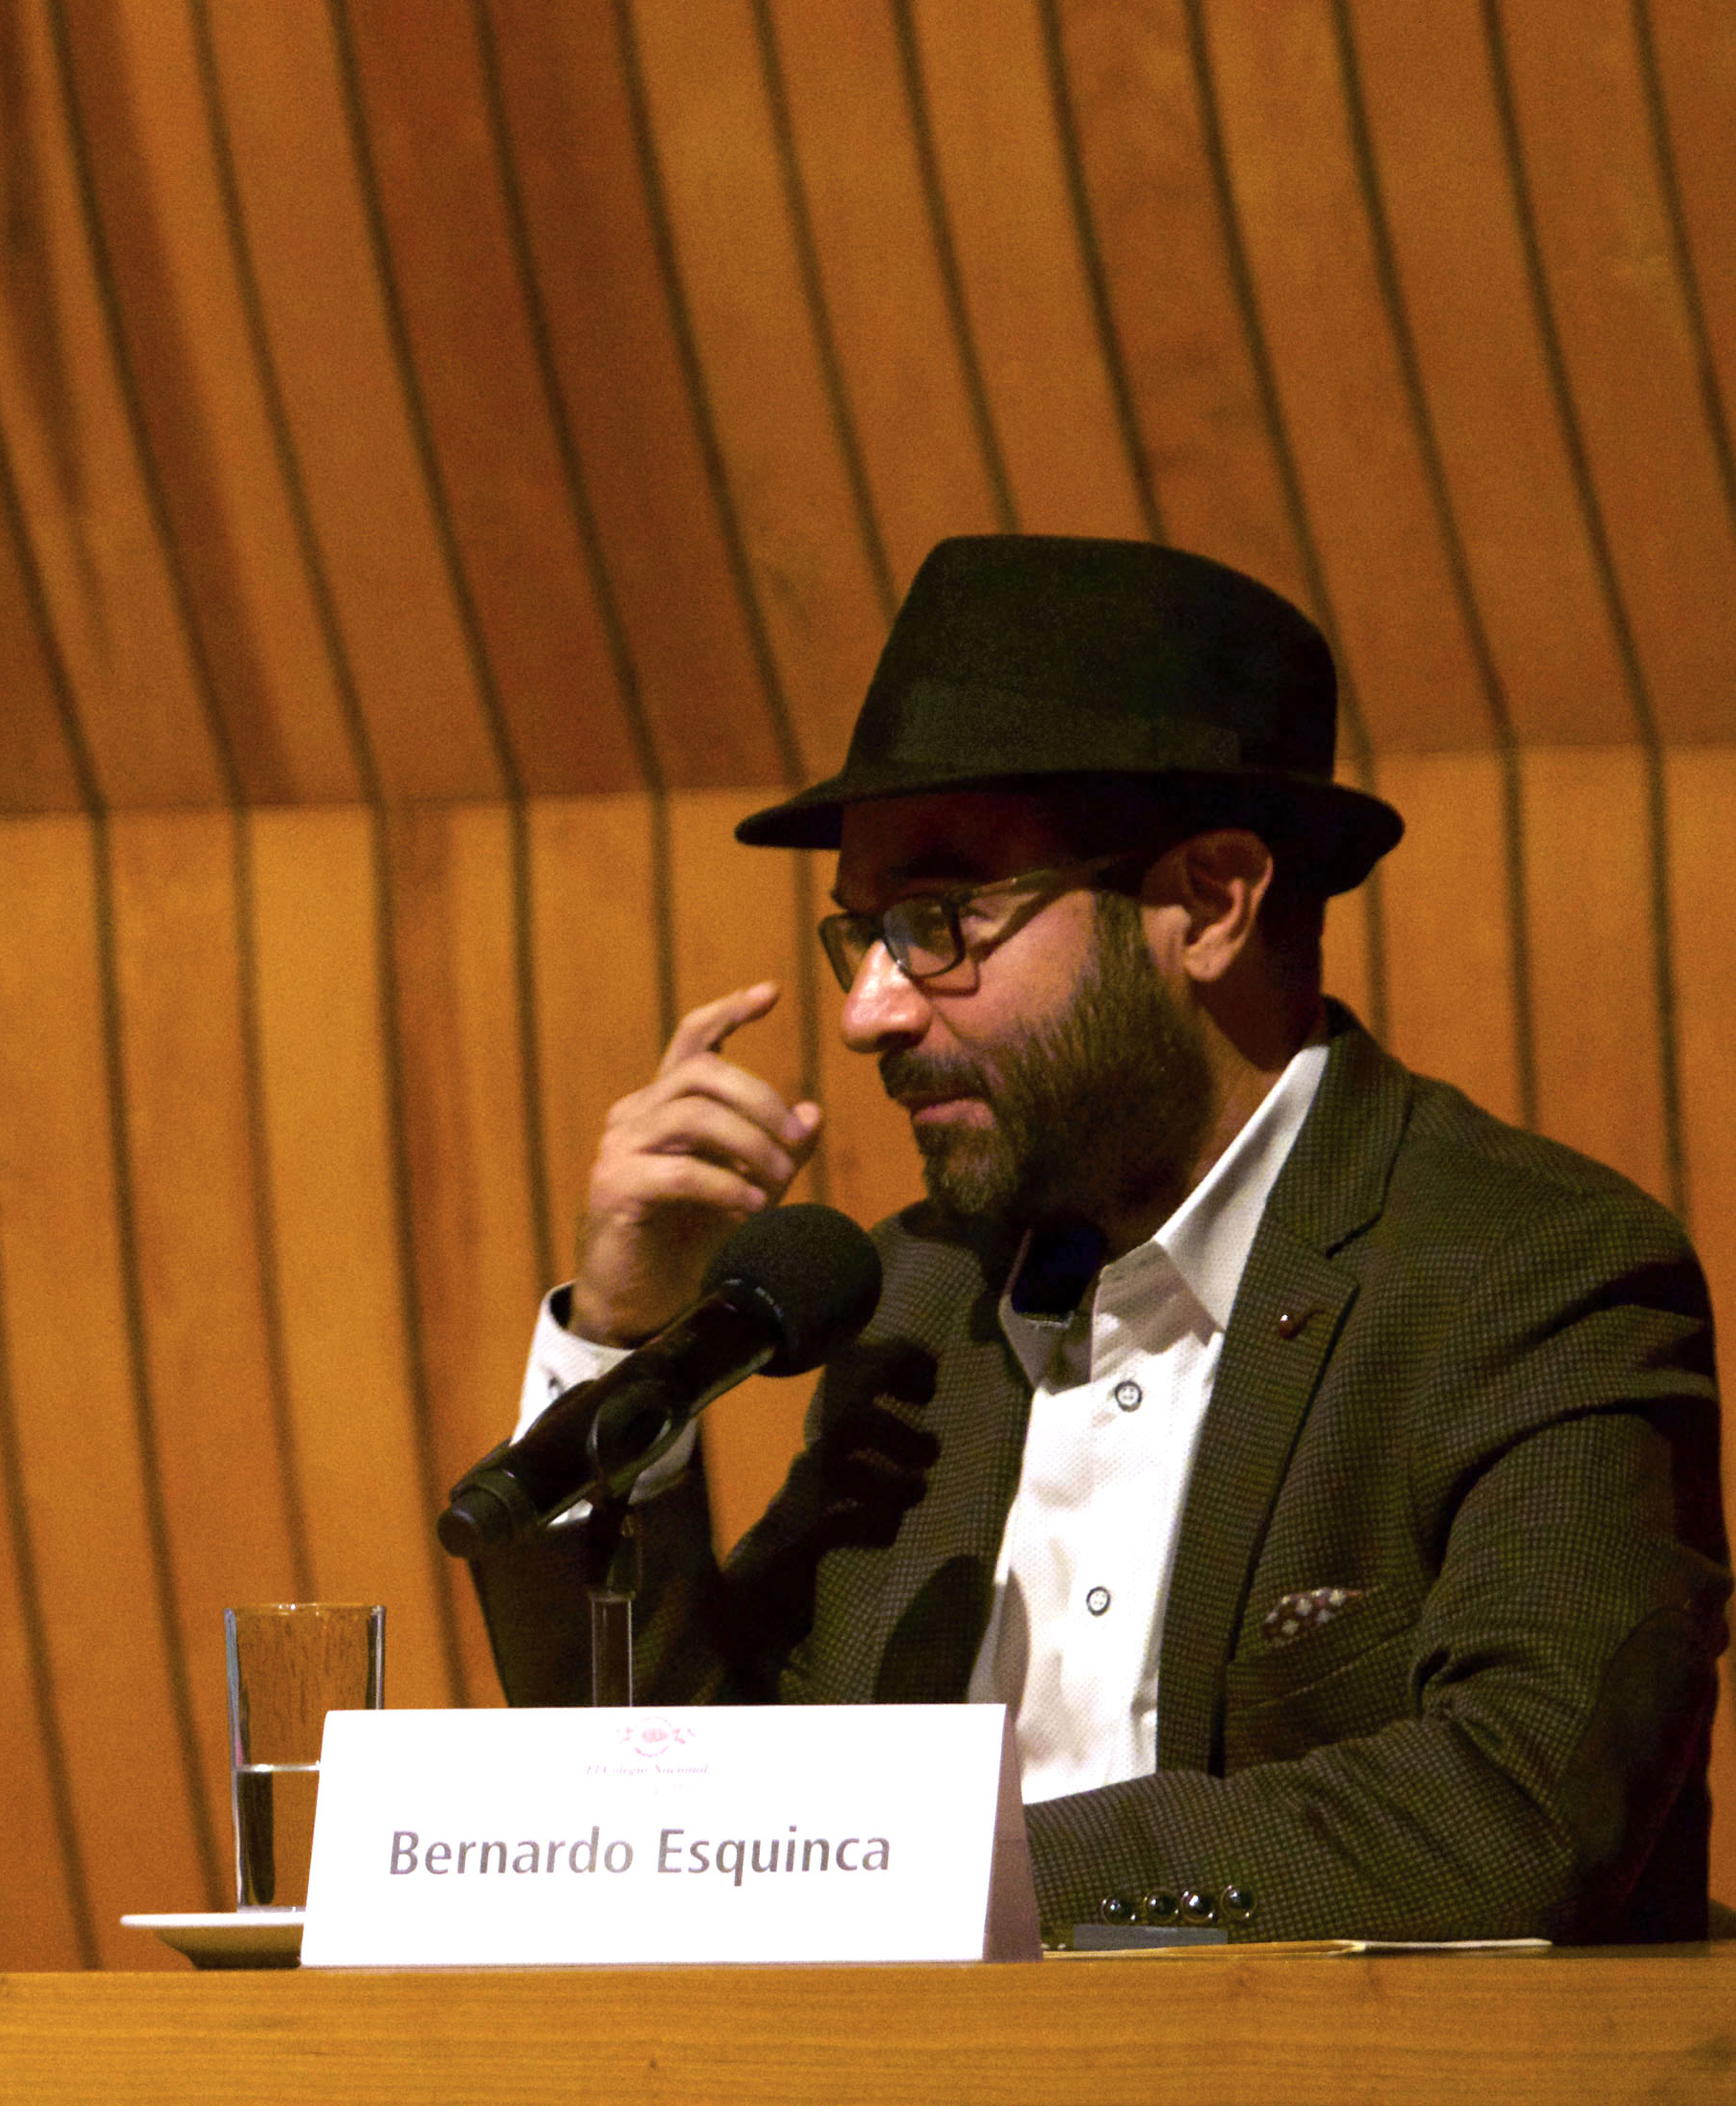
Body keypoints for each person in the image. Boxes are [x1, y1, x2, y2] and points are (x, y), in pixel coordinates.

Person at [469, 535, 1725, 1942]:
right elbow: (675, 1821)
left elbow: (1516, 1810)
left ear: (1211, 901)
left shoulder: (1528, 1273)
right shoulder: (925, 1302)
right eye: (864, 933)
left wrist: (925, 1867)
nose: (869, 1011)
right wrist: (625, 1337)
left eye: (941, 922)